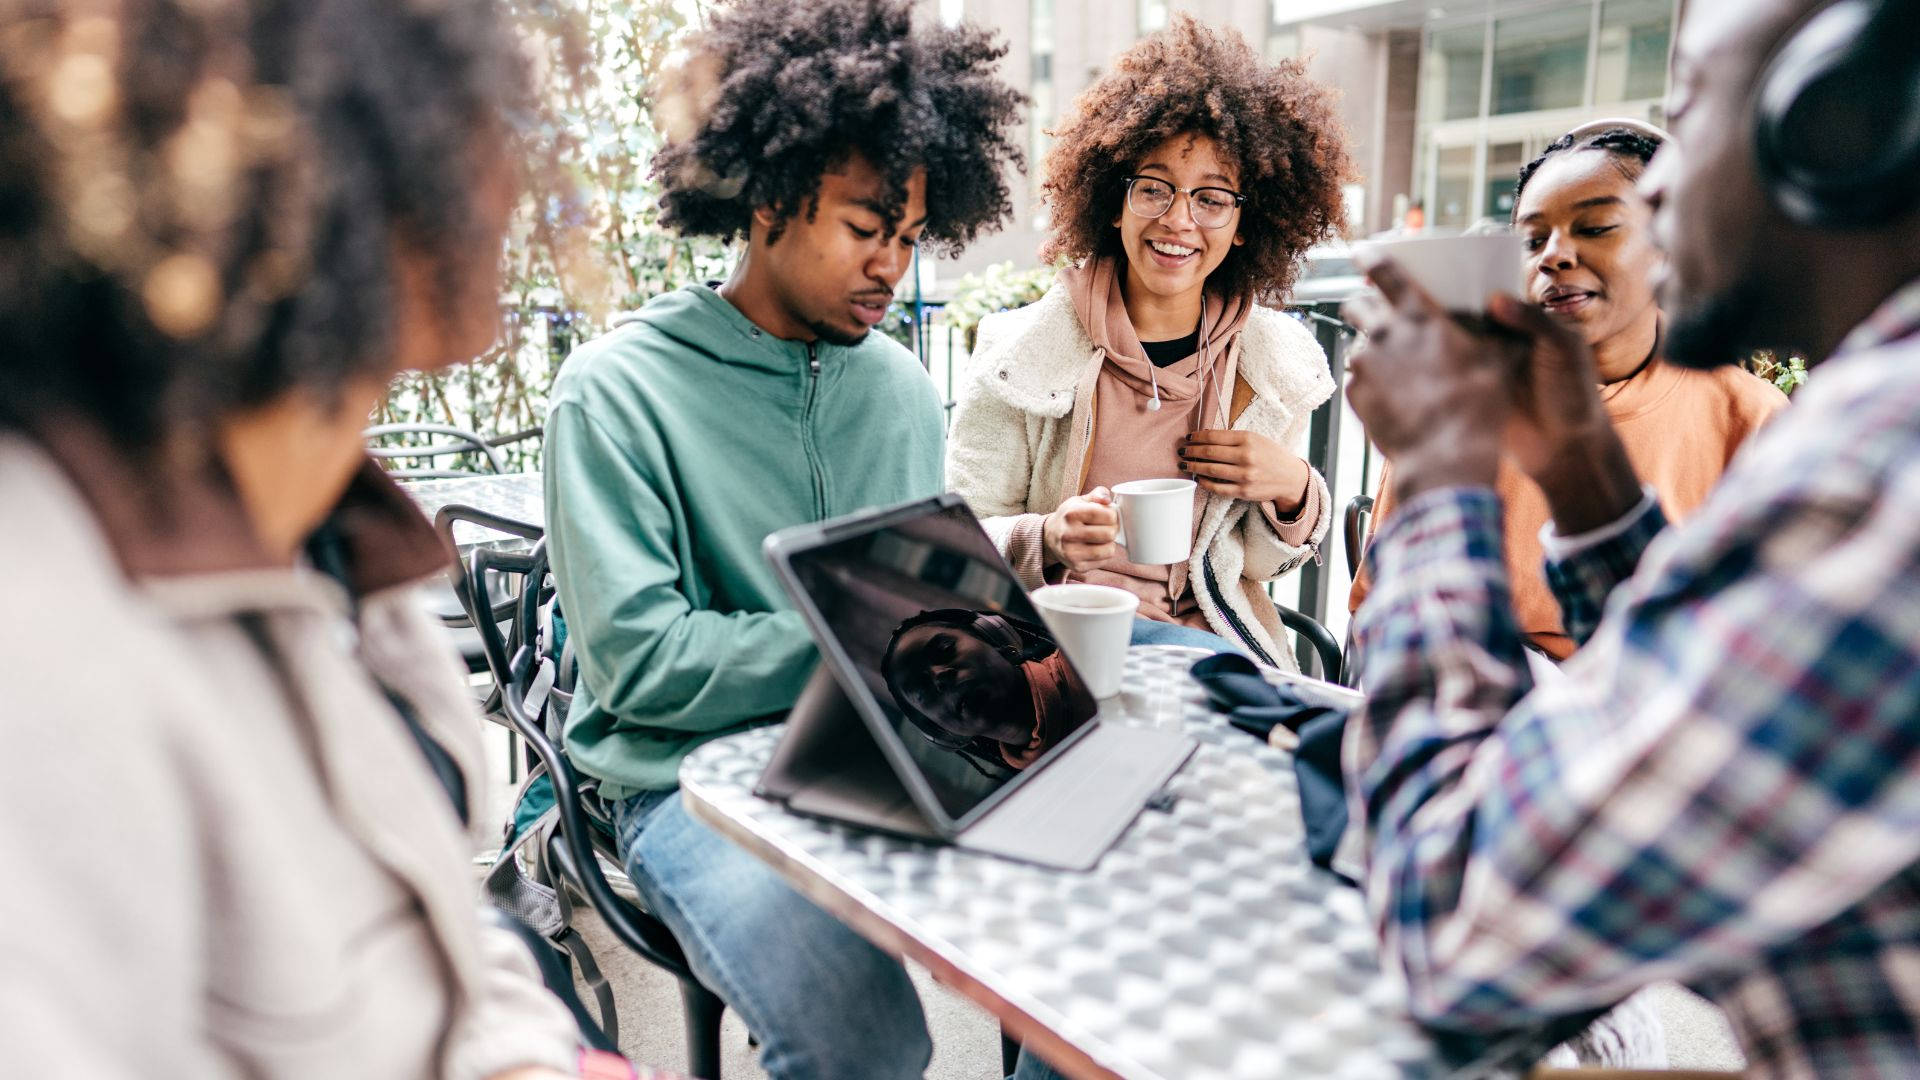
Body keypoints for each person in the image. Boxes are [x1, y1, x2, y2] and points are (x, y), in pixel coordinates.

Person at [0, 0, 644, 1076]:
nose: (525, 174)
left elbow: (443, 929)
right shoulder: (45, 655)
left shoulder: (333, 535)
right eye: (486, 116)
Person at [1340, 0, 1920, 1072]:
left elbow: (1454, 924)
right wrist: (1584, 473)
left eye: (1687, 111)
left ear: (1841, 118)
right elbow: (1738, 737)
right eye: (1536, 239)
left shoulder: (1874, 477)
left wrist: (1436, 462)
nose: (1658, 180)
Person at [540, 0, 1025, 1075]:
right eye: (865, 227)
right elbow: (642, 668)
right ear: (768, 199)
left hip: (886, 752)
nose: (892, 265)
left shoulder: (900, 389)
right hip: (686, 780)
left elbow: (919, 597)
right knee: (866, 1041)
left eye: (907, 235)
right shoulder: (615, 393)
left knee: (1089, 939)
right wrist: (866, 639)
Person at [947, 15, 1353, 670]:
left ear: (1246, 223)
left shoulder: (1271, 367)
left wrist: (1294, 488)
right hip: (1060, 645)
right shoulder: (1018, 354)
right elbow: (959, 541)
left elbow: (1256, 565)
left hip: (1213, 650)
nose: (1178, 219)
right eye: (1153, 188)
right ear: (1115, 201)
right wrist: (1046, 537)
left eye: (1213, 197)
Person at [1349, 121, 1788, 659]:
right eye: (1532, 240)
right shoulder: (1463, 403)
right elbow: (1385, 609)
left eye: (1597, 227)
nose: (1554, 255)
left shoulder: (1751, 417)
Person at [882, 609, 1097, 772]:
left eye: (945, 650)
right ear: (939, 731)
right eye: (921, 691)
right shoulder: (1031, 792)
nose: (939, 676)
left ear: (996, 640)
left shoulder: (1094, 659)